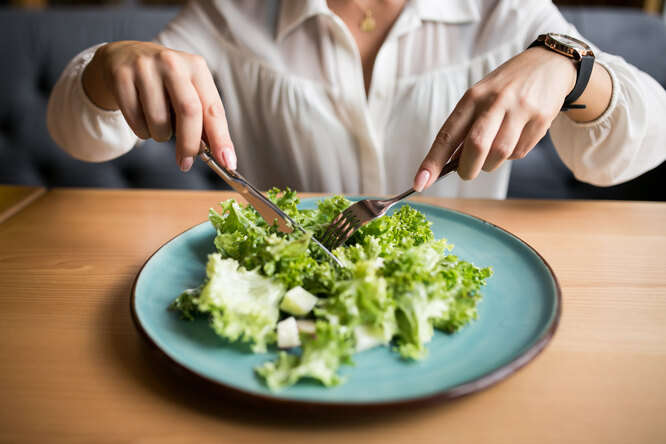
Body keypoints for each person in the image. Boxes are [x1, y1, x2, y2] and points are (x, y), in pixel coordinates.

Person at [47, 0, 666, 199]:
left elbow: (636, 144)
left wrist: (570, 67)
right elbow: (81, 134)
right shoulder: (229, 12)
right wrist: (109, 66)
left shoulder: (501, 8)